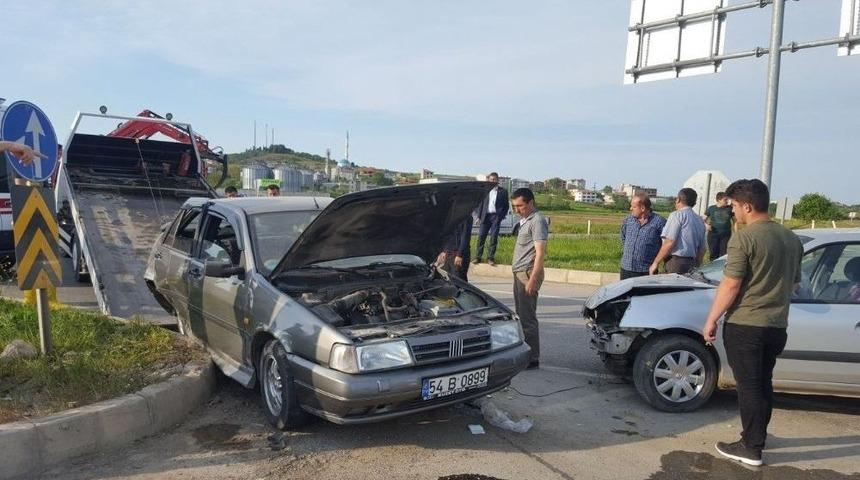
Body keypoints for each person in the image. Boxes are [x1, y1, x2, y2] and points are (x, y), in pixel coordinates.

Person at [702, 179, 803, 467]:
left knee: (748, 386)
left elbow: (731, 284)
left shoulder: (744, 238)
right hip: (776, 325)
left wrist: (711, 319)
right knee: (762, 384)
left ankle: (751, 446)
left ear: (747, 205)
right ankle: (756, 435)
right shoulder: (791, 239)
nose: (732, 212)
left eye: (734, 206)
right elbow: (794, 285)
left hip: (746, 324)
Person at [510, 188, 548, 369]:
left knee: (527, 318)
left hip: (527, 274)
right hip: (521, 273)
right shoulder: (525, 220)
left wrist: (532, 279)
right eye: (514, 206)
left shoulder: (537, 221)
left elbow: (540, 254)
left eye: (520, 206)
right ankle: (527, 353)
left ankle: (532, 358)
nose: (517, 210)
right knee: (521, 316)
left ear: (531, 203)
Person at [649, 188, 706, 275]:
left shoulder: (677, 215)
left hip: (676, 263)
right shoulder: (699, 220)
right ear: (694, 203)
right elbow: (702, 249)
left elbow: (669, 242)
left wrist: (656, 262)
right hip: (691, 263)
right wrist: (696, 265)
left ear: (678, 199)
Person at [620, 194, 666, 280]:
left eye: (633, 207)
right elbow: (623, 238)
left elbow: (665, 245)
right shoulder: (628, 220)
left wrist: (656, 263)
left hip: (646, 270)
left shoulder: (659, 222)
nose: (630, 209)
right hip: (626, 268)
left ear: (642, 208)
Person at [472, 172, 509, 266]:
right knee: (481, 237)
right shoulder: (485, 190)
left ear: (498, 180)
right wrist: (478, 217)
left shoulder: (503, 191)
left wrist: (501, 216)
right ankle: (478, 257)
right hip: (485, 216)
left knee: (494, 237)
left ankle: (490, 258)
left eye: (494, 179)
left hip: (496, 217)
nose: (492, 181)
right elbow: (479, 205)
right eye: (491, 179)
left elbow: (506, 206)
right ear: (488, 180)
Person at [436, 217, 473, 281]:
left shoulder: (466, 217)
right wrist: (443, 251)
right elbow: (447, 235)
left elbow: (465, 237)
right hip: (448, 253)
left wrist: (460, 255)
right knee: (449, 281)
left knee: (459, 280)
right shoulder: (453, 216)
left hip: (458, 255)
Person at [705, 192, 734, 260]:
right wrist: (706, 225)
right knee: (713, 254)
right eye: (725, 200)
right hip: (713, 235)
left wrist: (736, 233)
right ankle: (713, 269)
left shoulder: (730, 208)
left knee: (723, 255)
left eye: (727, 199)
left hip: (725, 235)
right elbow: (703, 219)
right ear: (718, 200)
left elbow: (735, 221)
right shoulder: (711, 208)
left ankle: (721, 270)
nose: (727, 201)